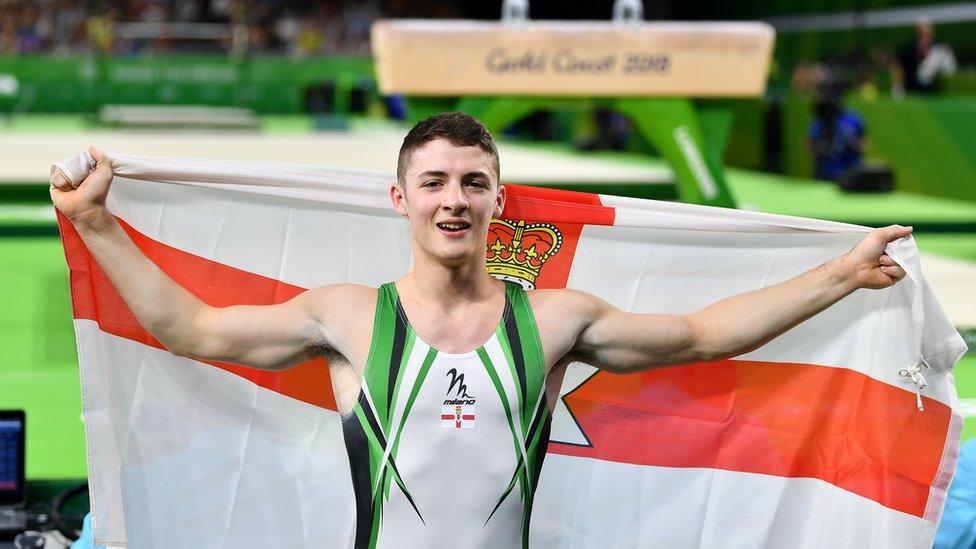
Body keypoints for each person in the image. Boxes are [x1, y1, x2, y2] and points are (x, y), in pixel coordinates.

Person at [49, 112, 910, 549]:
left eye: (472, 182)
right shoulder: (348, 315)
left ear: (499, 199)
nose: (452, 199)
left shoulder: (553, 318)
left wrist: (840, 273)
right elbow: (192, 328)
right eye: (433, 183)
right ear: (401, 199)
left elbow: (697, 334)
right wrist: (95, 225)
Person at [808, 93, 866, 182]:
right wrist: (819, 148)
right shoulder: (820, 120)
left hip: (850, 172)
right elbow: (810, 144)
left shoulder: (853, 119)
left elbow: (864, 143)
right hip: (825, 173)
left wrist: (853, 144)